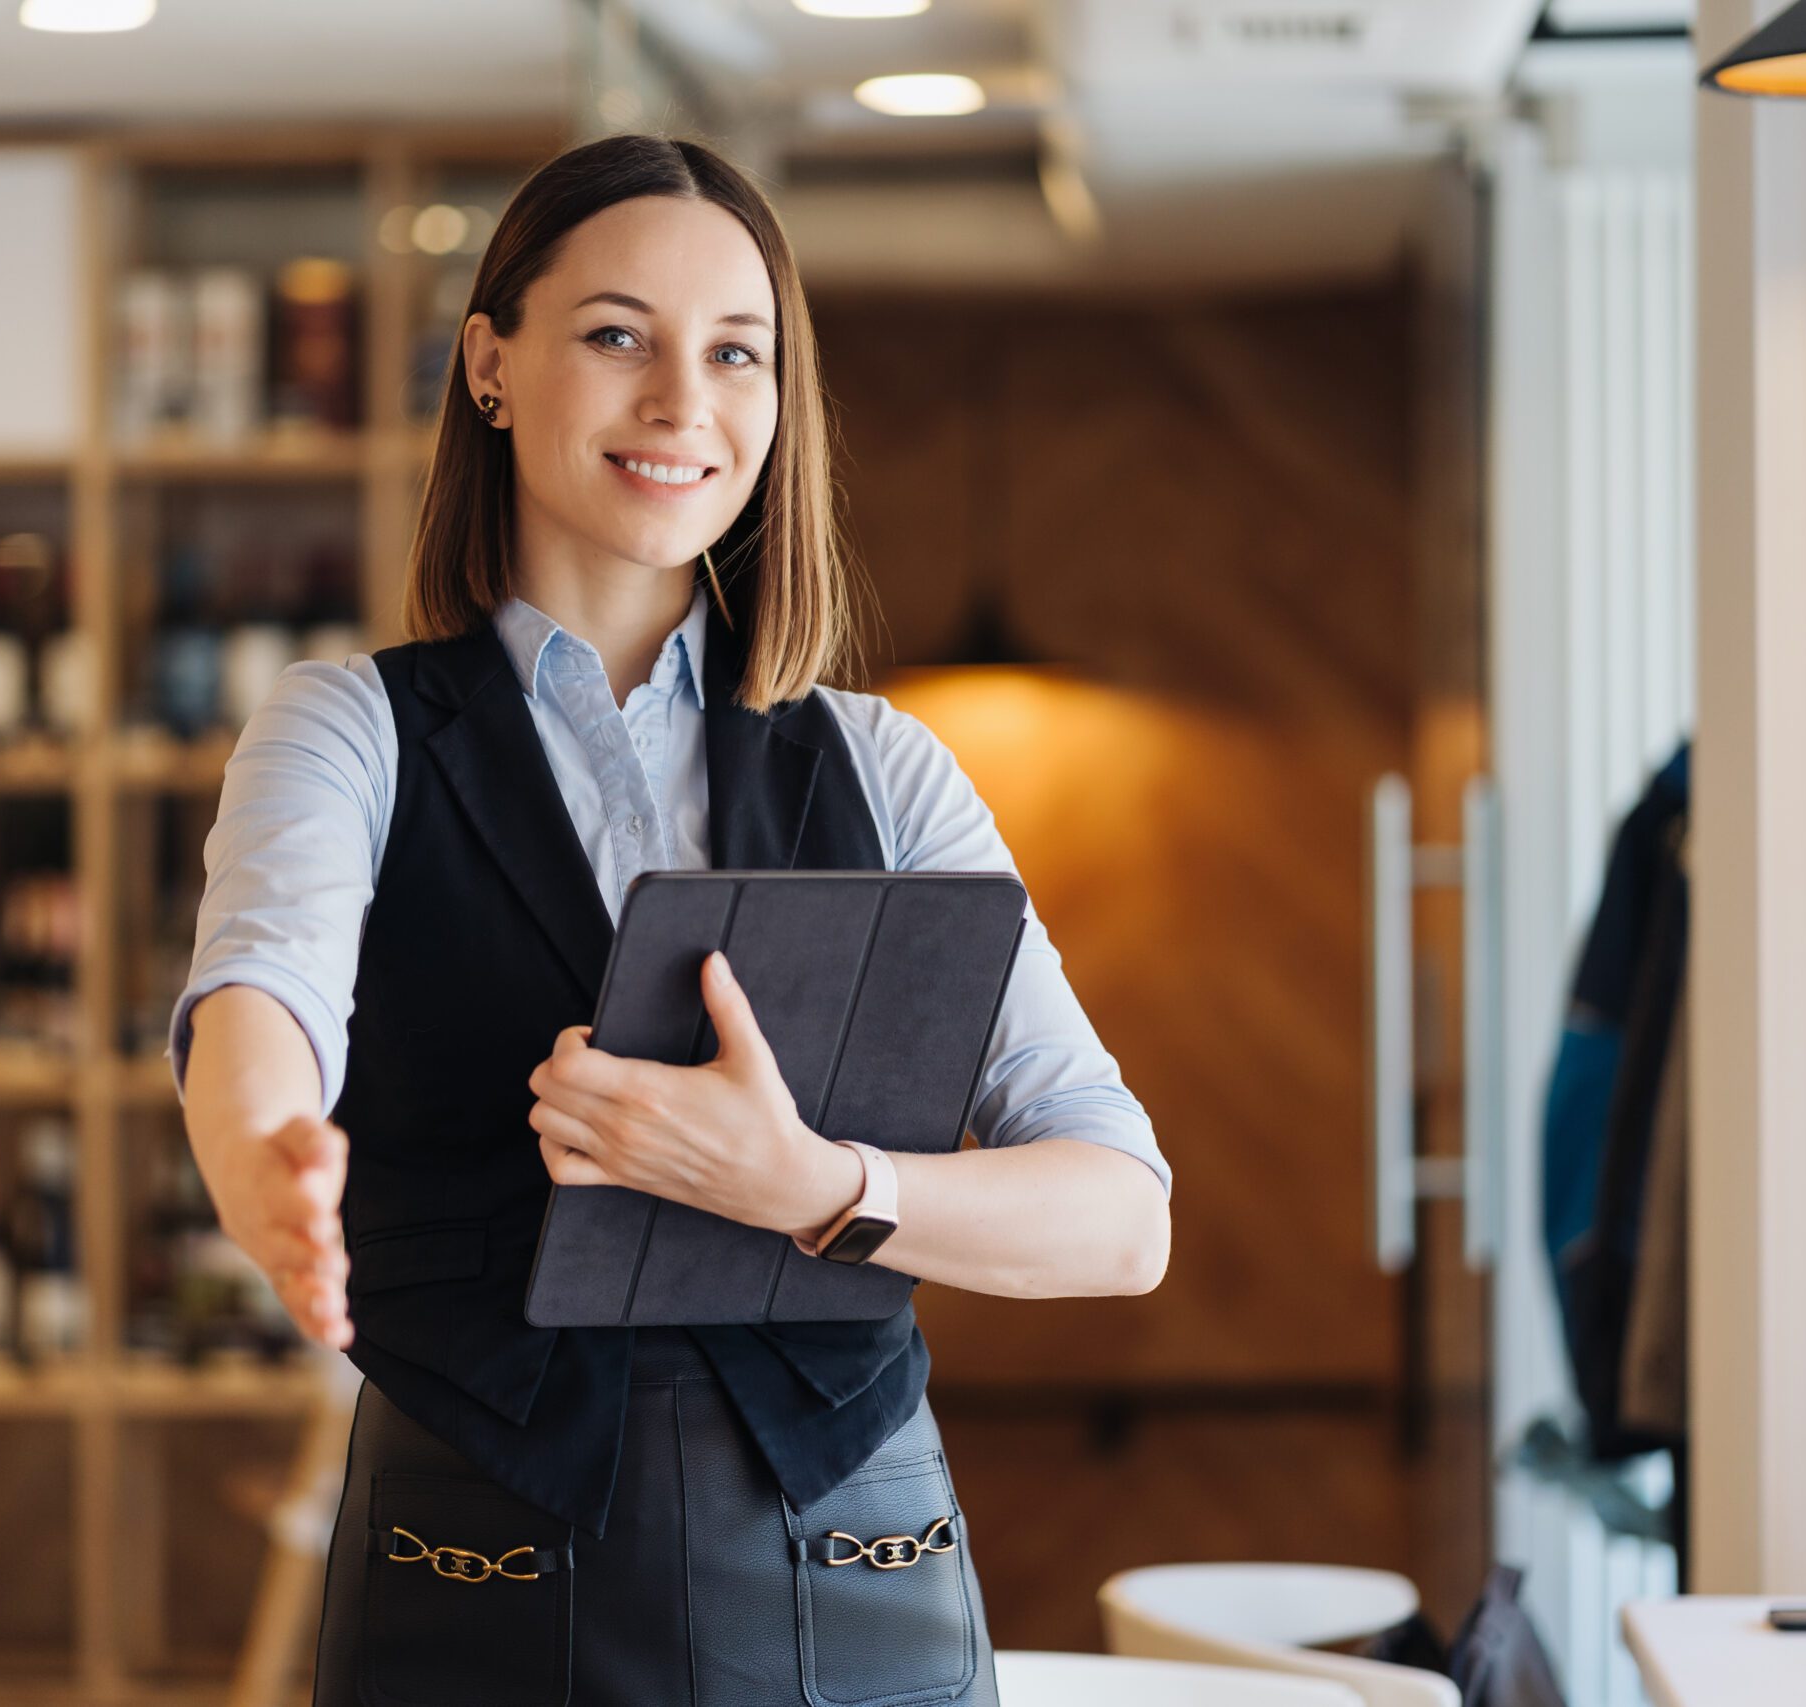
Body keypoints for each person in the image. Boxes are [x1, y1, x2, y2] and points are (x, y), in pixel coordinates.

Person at [169, 130, 1172, 1707]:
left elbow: (1121, 1217)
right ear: (488, 366)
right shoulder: (347, 727)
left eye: (736, 353)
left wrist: (814, 1185)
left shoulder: (887, 767)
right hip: (480, 1559)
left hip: (859, 1558)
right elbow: (264, 989)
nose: (682, 402)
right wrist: (259, 1152)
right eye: (618, 335)